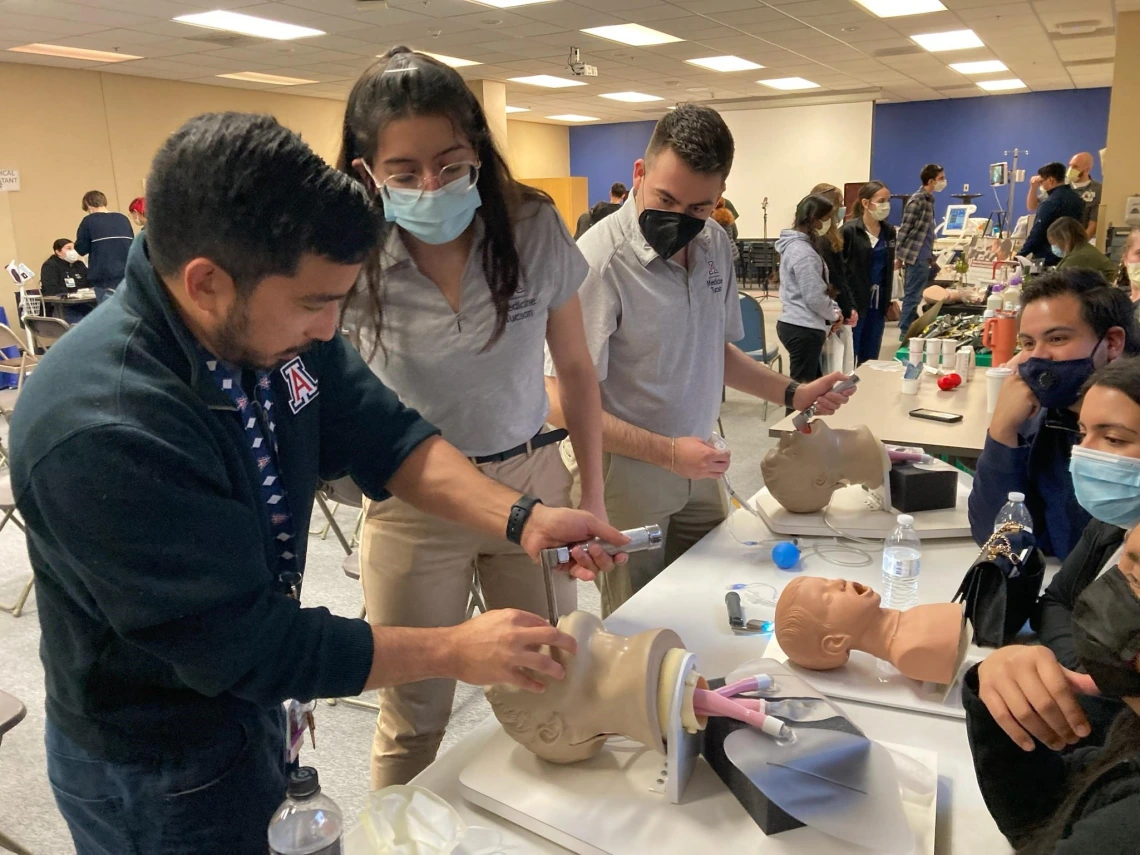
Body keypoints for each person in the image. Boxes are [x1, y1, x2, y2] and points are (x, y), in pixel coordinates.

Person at [11, 112, 624, 855]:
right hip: (156, 757)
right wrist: (454, 648)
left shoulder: (270, 325)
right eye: (315, 303)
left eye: (341, 298)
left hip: (244, 706)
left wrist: (521, 515)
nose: (333, 327)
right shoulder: (107, 427)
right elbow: (250, 649)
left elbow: (386, 435)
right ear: (206, 282)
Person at [337, 47, 607, 789]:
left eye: (451, 164)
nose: (431, 185)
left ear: (479, 155)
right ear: (367, 173)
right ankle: (392, 837)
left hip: (532, 480)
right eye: (404, 172)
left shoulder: (529, 226)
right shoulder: (349, 255)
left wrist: (593, 495)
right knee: (416, 711)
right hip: (413, 503)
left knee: (552, 679)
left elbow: (577, 370)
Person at [544, 105, 854, 617]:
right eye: (666, 199)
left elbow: (714, 349)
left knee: (711, 597)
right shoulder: (598, 262)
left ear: (720, 197)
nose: (680, 219)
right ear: (639, 174)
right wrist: (667, 453)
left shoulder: (713, 245)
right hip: (627, 470)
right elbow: (556, 400)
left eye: (699, 208)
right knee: (640, 620)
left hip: (701, 458)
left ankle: (705, 698)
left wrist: (793, 393)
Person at [973, 358, 1140, 768]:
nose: (1084, 454)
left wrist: (1096, 682)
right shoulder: (1112, 523)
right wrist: (1085, 670)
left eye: (1114, 439)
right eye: (1083, 434)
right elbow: (1058, 602)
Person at [964, 518, 1140, 854]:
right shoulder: (1129, 735)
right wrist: (1005, 711)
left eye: (1134, 580)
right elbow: (1043, 817)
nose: (1111, 585)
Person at [967, 269, 1140, 558]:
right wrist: (1001, 434)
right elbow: (999, 540)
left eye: (1057, 339)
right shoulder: (1042, 416)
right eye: (1029, 344)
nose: (1038, 357)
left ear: (1111, 343)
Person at [776, 193, 842, 388]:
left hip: (800, 324)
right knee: (801, 392)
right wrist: (834, 314)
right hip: (803, 327)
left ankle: (807, 419)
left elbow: (817, 289)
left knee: (811, 386)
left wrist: (832, 312)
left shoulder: (799, 247)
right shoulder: (803, 252)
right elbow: (814, 297)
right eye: (828, 218)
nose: (831, 222)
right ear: (814, 220)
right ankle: (795, 420)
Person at [842, 181, 897, 365]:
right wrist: (845, 304)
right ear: (866, 203)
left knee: (871, 353)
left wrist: (888, 300)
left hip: (878, 302)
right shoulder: (849, 231)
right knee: (851, 352)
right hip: (855, 302)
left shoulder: (889, 232)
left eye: (888, 200)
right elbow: (840, 270)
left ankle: (868, 387)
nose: (886, 205)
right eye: (881, 200)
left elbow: (888, 268)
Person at [896, 163, 945, 334]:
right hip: (915, 256)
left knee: (916, 295)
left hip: (924, 256)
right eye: (941, 179)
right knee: (913, 295)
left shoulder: (929, 200)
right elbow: (905, 229)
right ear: (931, 181)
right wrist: (898, 256)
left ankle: (911, 325)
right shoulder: (918, 200)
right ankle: (905, 330)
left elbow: (926, 232)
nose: (944, 181)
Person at [1019, 162, 1086, 267]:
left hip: (1046, 258)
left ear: (1050, 180)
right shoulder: (1078, 199)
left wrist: (1020, 255)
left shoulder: (1050, 202)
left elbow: (1037, 233)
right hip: (1071, 256)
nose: (1041, 185)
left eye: (1041, 182)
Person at [810, 182, 857, 330]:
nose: (843, 208)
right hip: (826, 311)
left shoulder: (833, 236)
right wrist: (844, 310)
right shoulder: (820, 240)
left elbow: (841, 277)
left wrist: (850, 306)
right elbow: (835, 279)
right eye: (840, 203)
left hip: (835, 308)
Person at [74, 189, 133, 304]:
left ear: (88, 205)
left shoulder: (89, 221)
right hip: (126, 274)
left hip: (103, 277)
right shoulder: (123, 219)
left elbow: (81, 249)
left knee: (108, 313)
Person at [1028, 151, 1102, 240]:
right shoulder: (1060, 185)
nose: (1070, 169)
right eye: (1070, 165)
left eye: (1075, 167)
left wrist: (1080, 244)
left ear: (1086, 169)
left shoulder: (1097, 190)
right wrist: (1033, 187)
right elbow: (1032, 206)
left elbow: (1093, 223)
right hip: (1053, 239)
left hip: (1077, 238)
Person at [39, 238, 92, 324]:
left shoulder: (79, 265)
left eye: (74, 248)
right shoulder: (50, 266)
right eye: (69, 248)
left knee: (102, 319)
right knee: (86, 324)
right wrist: (75, 291)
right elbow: (51, 289)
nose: (73, 251)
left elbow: (89, 282)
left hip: (82, 304)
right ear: (58, 252)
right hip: (60, 307)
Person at [1050, 216, 1117, 281]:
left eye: (1054, 243)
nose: (1053, 247)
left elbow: (1057, 283)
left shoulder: (1077, 257)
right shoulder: (1085, 249)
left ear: (1065, 240)